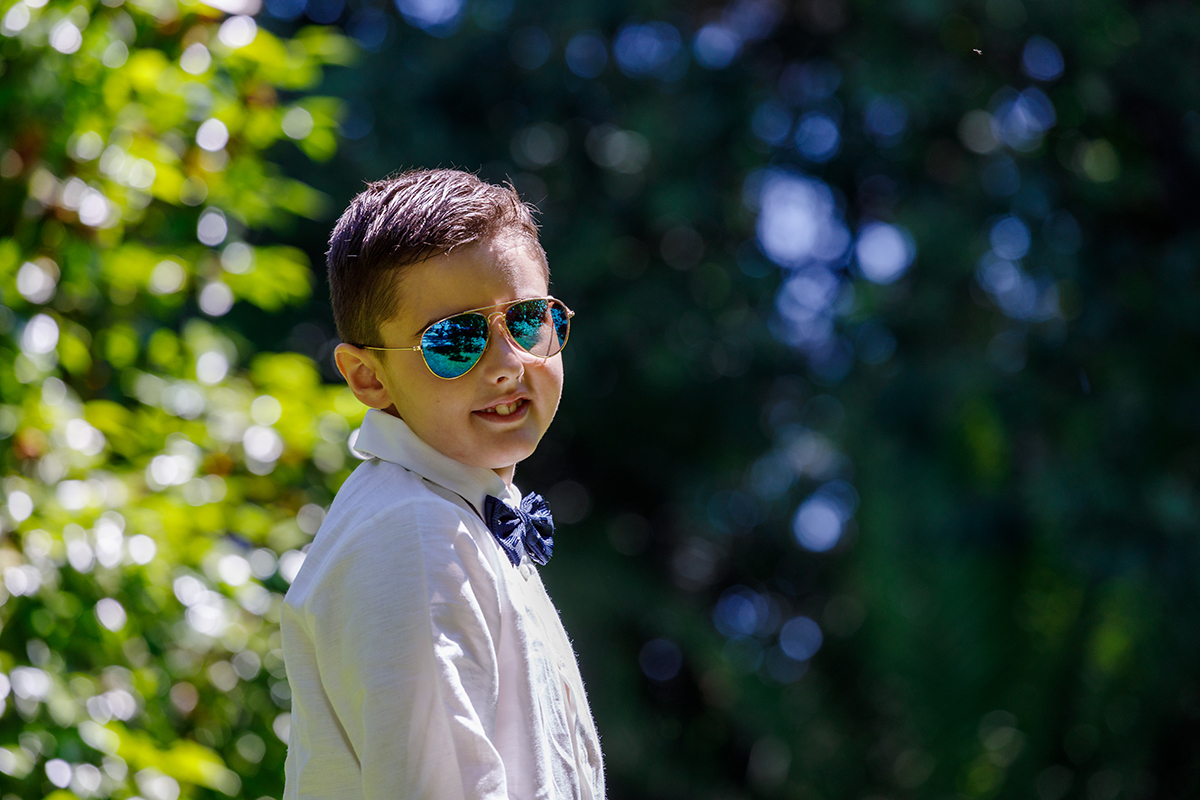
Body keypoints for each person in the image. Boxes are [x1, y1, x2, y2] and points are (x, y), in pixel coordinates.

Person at [280, 169, 605, 799]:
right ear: (368, 379)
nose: (509, 365)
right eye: (456, 340)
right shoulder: (414, 534)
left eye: (529, 320)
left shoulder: (459, 517)